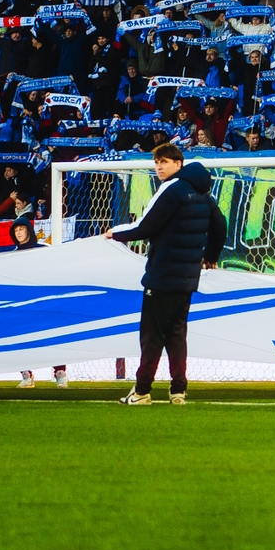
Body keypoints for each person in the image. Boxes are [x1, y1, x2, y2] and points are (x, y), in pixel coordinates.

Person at [107, 143, 227, 406]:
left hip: (162, 275)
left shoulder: (172, 190)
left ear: (178, 164)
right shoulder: (203, 194)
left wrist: (115, 234)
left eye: (164, 162)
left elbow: (145, 227)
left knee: (152, 335)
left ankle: (141, 392)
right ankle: (178, 390)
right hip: (188, 277)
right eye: (156, 162)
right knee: (177, 333)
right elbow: (220, 226)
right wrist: (211, 256)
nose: (159, 167)